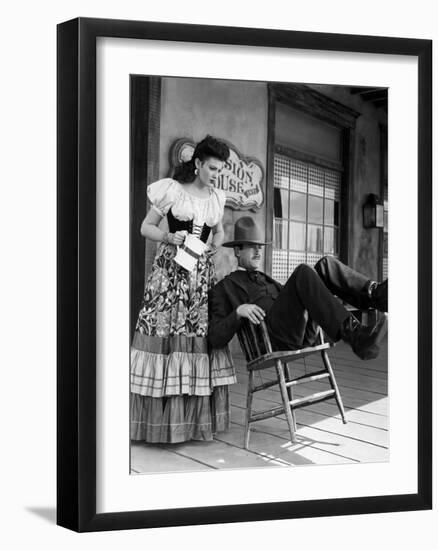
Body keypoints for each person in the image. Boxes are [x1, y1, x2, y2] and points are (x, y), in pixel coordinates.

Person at [130, 135, 236, 444]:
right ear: (199, 163)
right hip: (169, 275)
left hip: (198, 277)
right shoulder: (173, 191)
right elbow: (145, 227)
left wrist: (213, 247)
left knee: (195, 338)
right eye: (213, 168)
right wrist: (168, 238)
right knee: (165, 337)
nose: (216, 175)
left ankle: (191, 423)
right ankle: (157, 423)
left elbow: (219, 231)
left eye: (220, 170)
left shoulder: (217, 198)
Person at [208, 216, 388, 361]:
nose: (258, 252)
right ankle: (356, 336)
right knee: (303, 271)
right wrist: (239, 311)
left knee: (326, 264)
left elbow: (290, 299)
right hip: (273, 340)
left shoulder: (264, 278)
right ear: (237, 251)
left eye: (260, 247)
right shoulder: (224, 288)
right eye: (251, 247)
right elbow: (215, 338)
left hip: (299, 331)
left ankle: (378, 295)